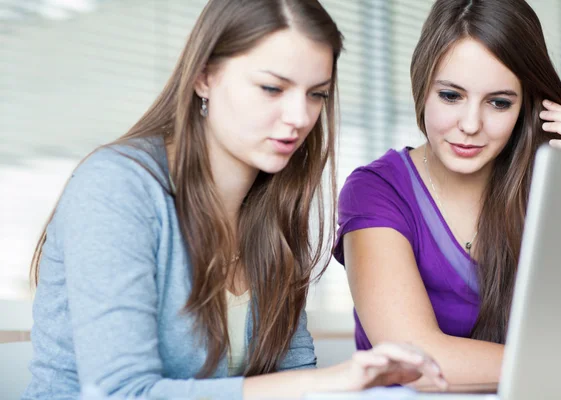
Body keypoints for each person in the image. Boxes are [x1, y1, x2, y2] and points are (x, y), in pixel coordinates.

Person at [22, 0, 448, 399]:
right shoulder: (117, 186)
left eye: (316, 94)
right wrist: (328, 380)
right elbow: (121, 393)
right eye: (271, 88)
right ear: (204, 76)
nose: (300, 117)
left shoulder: (272, 203)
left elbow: (293, 369)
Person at [334, 0, 561, 389]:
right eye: (451, 96)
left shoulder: (541, 190)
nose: (471, 125)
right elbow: (418, 361)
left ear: (528, 105)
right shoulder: (375, 191)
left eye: (498, 102)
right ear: (422, 86)